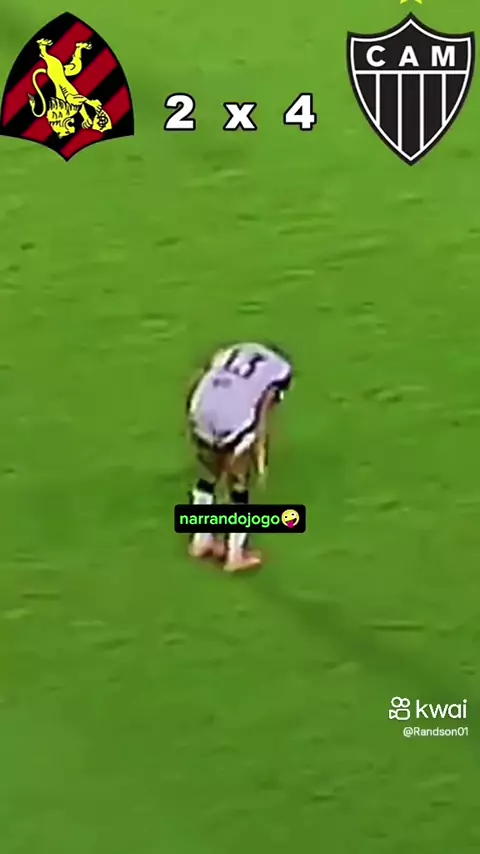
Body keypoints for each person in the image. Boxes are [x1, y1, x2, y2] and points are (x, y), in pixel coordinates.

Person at [186, 342, 293, 572]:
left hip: (201, 405)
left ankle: (201, 541)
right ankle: (235, 556)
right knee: (239, 483)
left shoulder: (234, 351)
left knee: (208, 474)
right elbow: (262, 416)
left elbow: (207, 373)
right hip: (234, 415)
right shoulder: (279, 371)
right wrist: (261, 459)